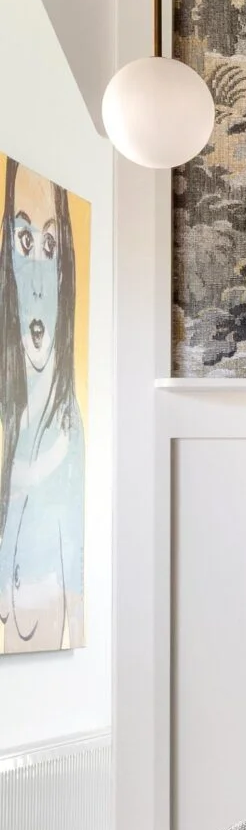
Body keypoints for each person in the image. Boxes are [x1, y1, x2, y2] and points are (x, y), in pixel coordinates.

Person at [0, 159, 84, 653]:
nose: (35, 277)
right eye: (23, 240)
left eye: (49, 246)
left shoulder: (70, 436)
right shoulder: (14, 423)